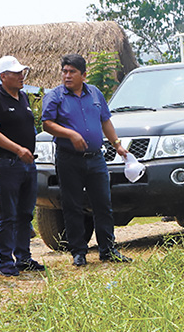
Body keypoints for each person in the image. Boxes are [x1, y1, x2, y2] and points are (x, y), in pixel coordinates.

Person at [41, 53, 132, 267]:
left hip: (96, 158)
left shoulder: (95, 94)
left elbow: (105, 121)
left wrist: (117, 144)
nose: (67, 76)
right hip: (68, 158)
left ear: (84, 75)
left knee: (103, 204)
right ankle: (79, 251)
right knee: (72, 205)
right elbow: (47, 124)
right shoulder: (55, 96)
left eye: (72, 72)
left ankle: (108, 249)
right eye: (64, 71)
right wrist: (70, 134)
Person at [0, 55, 46, 276]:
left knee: (25, 213)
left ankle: (24, 257)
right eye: (16, 73)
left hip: (28, 165)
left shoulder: (23, 98)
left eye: (22, 73)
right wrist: (18, 149)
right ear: (3, 77)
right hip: (8, 163)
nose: (22, 76)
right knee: (8, 214)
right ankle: (5, 261)